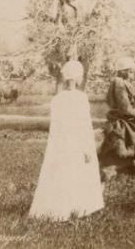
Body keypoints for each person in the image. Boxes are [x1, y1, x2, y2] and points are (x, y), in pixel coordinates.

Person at [29, 60, 104, 221]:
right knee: (77, 173)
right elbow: (84, 125)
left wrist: (56, 146)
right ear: (77, 78)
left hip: (61, 143)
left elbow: (55, 127)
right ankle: (79, 207)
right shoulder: (81, 98)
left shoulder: (57, 99)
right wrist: (86, 148)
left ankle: (57, 208)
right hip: (77, 142)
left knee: (60, 173)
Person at [102, 56, 135, 173]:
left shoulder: (123, 82)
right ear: (122, 71)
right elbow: (125, 108)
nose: (132, 73)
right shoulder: (118, 83)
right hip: (121, 116)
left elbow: (132, 104)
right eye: (130, 71)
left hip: (124, 114)